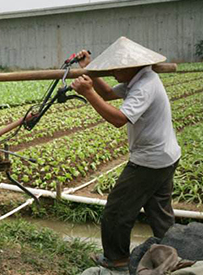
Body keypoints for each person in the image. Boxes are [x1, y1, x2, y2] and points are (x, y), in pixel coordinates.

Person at [71, 37, 181, 269]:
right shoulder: (140, 78)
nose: (112, 71)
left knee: (117, 211)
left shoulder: (144, 86)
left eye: (116, 67)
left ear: (131, 66)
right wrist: (89, 71)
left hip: (149, 161)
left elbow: (119, 119)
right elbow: (110, 93)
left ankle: (117, 259)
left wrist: (89, 93)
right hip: (166, 156)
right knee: (160, 213)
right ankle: (173, 254)